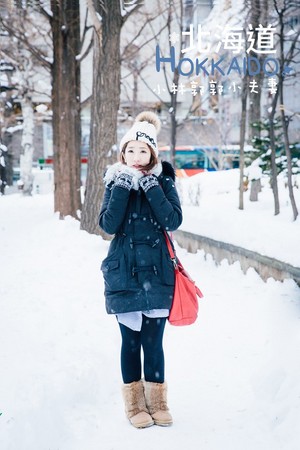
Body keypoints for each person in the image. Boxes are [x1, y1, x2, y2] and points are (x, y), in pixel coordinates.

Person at [99, 111, 182, 429]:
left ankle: (158, 403)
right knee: (130, 342)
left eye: (142, 150)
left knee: (154, 343)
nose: (135, 157)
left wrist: (151, 187)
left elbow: (173, 220)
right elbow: (108, 225)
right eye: (130, 150)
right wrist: (121, 187)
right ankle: (134, 407)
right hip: (124, 273)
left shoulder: (163, 179)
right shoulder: (113, 181)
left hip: (157, 273)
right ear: (123, 152)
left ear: (152, 154)